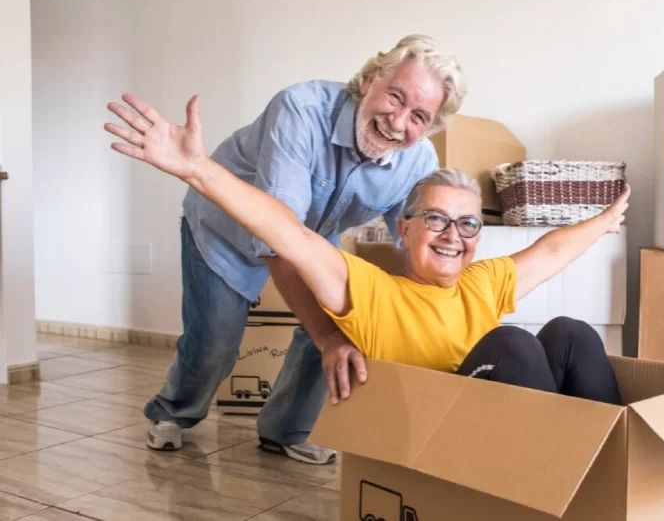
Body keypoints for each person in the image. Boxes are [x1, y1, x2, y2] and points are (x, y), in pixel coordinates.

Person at [105, 98, 632, 426]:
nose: (454, 236)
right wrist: (198, 169)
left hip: (501, 418)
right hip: (441, 432)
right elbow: (286, 233)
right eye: (437, 220)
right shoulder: (371, 290)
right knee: (513, 341)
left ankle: (610, 473)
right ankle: (548, 478)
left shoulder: (484, 280)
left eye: (468, 224)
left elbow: (552, 249)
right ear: (403, 229)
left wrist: (606, 222)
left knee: (571, 332)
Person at [103, 34, 468, 464]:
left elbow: (413, 245)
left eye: (419, 116)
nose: (398, 121)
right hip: (224, 230)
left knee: (351, 317)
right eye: (395, 97)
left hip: (310, 238)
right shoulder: (301, 110)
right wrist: (326, 335)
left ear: (430, 126)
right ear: (371, 79)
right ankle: (174, 412)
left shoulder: (418, 160)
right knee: (217, 343)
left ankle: (285, 429)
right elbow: (277, 238)